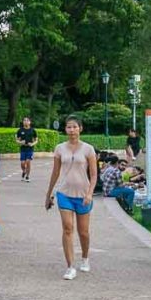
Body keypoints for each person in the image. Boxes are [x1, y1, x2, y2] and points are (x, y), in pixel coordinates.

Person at [44, 115, 98, 280]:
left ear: (80, 128)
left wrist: (89, 193)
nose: (72, 130)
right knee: (67, 228)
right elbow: (55, 173)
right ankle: (70, 267)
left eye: (75, 126)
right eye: (68, 127)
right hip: (64, 193)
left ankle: (85, 257)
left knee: (84, 232)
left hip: (83, 195)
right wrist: (49, 194)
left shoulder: (88, 149)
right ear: (65, 129)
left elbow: (94, 175)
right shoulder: (60, 148)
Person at [15, 116, 38, 182]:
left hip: (30, 149)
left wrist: (32, 144)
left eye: (27, 120)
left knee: (28, 162)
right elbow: (17, 140)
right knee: (22, 163)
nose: (26, 121)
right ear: (22, 122)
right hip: (23, 149)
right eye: (24, 120)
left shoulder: (33, 130)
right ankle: (24, 171)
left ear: (30, 122)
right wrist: (20, 142)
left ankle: (27, 176)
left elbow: (36, 140)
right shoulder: (20, 130)